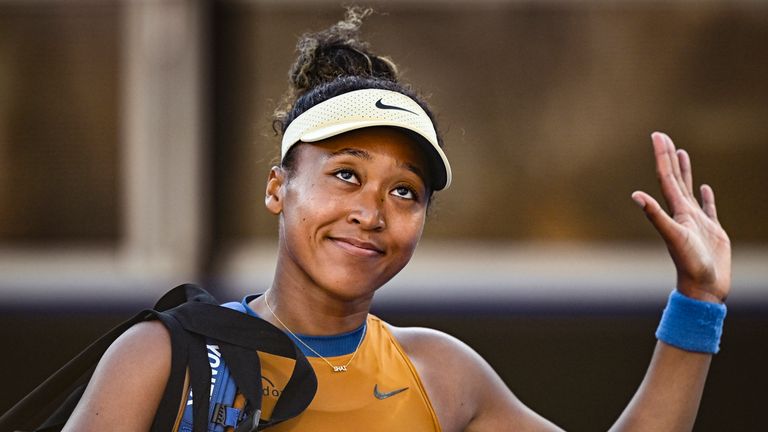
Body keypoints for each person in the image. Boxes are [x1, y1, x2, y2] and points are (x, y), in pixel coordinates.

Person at [63, 8, 731, 431]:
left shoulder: (441, 373)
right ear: (278, 189)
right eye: (346, 175)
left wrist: (698, 302)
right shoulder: (162, 358)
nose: (371, 212)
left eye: (405, 192)